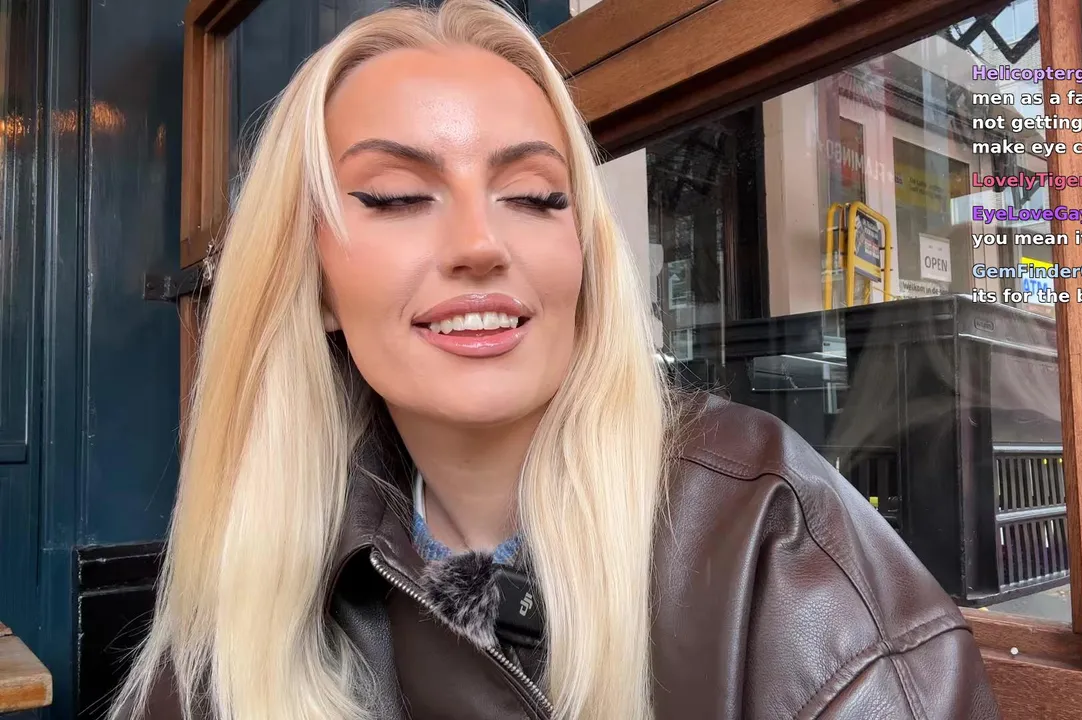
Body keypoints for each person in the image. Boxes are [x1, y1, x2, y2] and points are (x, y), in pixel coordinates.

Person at [111, 1, 997, 718]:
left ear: (584, 254)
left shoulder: (771, 544)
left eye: (535, 196)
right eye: (397, 196)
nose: (480, 243)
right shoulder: (269, 569)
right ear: (314, 284)